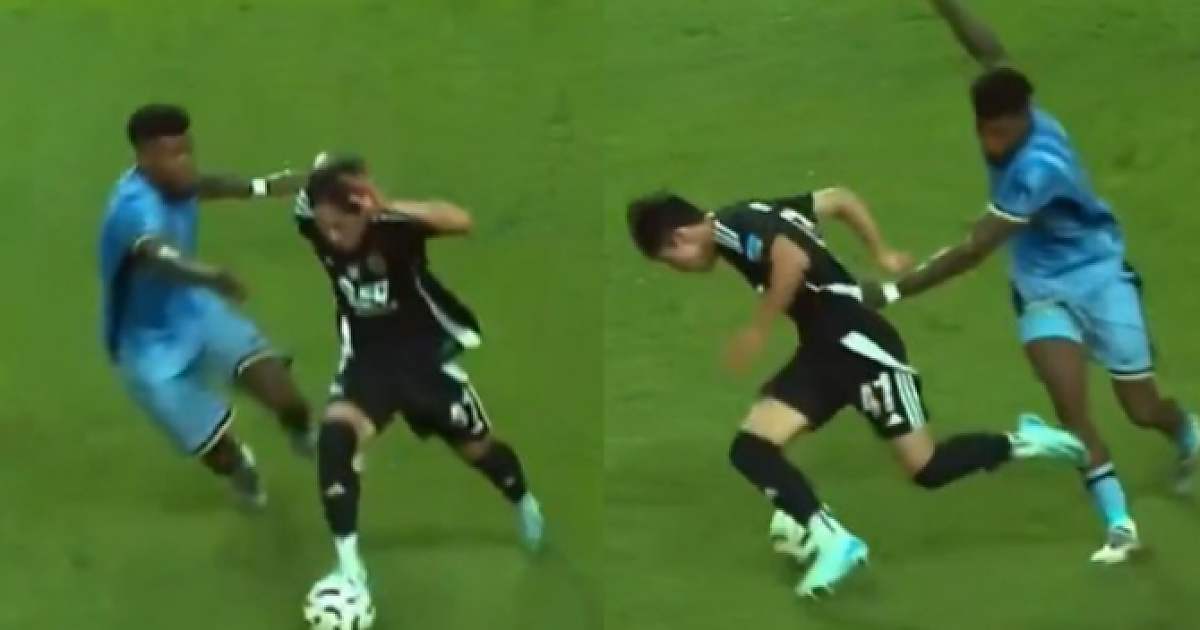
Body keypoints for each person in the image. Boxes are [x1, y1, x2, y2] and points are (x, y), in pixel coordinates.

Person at [859, 0, 1198, 565]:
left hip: (1099, 277)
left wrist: (892, 292)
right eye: (983, 131)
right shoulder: (1010, 100)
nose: (990, 143)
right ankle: (1120, 526)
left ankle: (1185, 431)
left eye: (999, 132)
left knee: (1141, 408)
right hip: (1041, 285)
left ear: (1022, 119)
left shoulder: (1039, 168)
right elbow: (990, 53)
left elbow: (975, 248)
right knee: (1070, 407)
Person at [625, 187, 1087, 598]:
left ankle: (1021, 442)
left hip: (859, 346)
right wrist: (880, 252)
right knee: (752, 447)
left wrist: (757, 329)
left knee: (927, 468)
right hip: (823, 348)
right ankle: (827, 536)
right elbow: (839, 198)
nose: (678, 270)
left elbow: (792, 261)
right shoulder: (754, 213)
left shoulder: (735, 228)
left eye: (669, 261)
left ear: (679, 237)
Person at [295, 155, 544, 588]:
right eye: (323, 227)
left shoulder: (393, 229)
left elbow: (461, 221)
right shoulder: (313, 222)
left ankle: (521, 498)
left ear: (362, 210)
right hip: (367, 364)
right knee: (335, 439)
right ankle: (351, 569)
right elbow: (317, 178)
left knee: (478, 450)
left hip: (424, 362)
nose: (330, 237)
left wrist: (388, 204)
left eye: (339, 226)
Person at [97, 104, 314, 509]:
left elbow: (204, 185)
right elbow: (157, 255)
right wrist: (208, 275)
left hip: (196, 312)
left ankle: (303, 435)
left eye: (187, 151)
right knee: (219, 452)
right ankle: (240, 470)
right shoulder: (133, 206)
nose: (185, 163)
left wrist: (264, 187)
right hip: (148, 348)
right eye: (173, 155)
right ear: (144, 156)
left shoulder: (174, 182)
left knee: (286, 396)